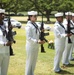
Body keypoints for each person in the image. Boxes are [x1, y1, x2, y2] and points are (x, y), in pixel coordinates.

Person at [25, 11, 45, 75]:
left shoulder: (35, 24)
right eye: (34, 16)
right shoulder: (28, 26)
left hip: (36, 45)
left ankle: (31, 73)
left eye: (36, 16)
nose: (36, 17)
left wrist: (42, 32)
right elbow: (28, 38)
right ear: (30, 17)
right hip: (31, 45)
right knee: (29, 61)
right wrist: (36, 41)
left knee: (34, 61)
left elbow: (37, 34)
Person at [0, 8, 12, 75]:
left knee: (4, 70)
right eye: (1, 14)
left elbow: (8, 37)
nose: (3, 16)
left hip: (6, 51)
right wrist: (4, 44)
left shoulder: (6, 25)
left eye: (3, 14)